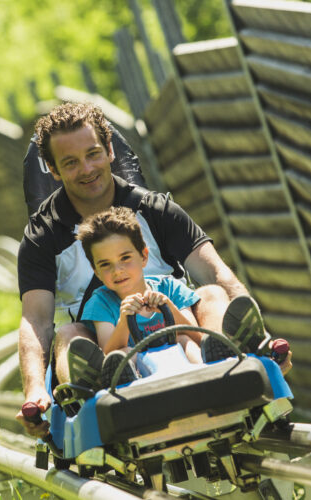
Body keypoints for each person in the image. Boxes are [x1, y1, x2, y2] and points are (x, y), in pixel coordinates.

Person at [15, 102, 292, 438]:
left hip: (179, 332)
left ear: (110, 150)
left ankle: (228, 364)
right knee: (66, 336)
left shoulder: (158, 211)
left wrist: (261, 337)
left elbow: (217, 274)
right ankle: (101, 384)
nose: (86, 168)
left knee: (213, 295)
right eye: (71, 163)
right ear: (53, 170)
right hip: (105, 343)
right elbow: (36, 320)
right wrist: (34, 390)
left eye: (93, 154)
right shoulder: (42, 238)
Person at [76, 207, 206, 386]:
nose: (117, 271)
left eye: (125, 258)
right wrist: (124, 321)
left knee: (184, 339)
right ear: (96, 272)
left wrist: (168, 307)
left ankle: (206, 371)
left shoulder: (169, 287)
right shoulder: (100, 302)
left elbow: (196, 335)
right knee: (123, 353)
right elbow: (108, 352)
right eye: (105, 264)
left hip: (181, 363)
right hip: (139, 381)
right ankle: (126, 382)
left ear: (144, 256)